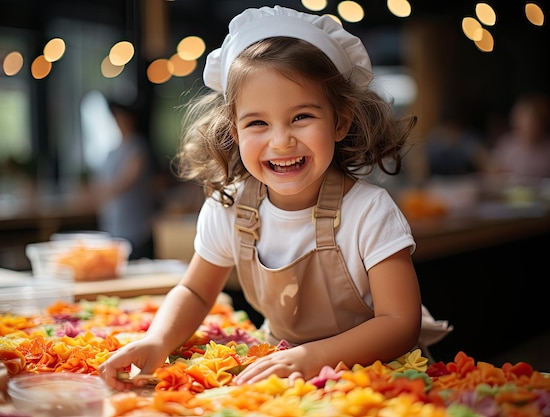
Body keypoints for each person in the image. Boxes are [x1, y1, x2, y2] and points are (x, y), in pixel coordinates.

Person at [99, 5, 425, 390]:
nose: (281, 141)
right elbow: (194, 290)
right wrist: (157, 340)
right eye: (257, 123)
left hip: (375, 379)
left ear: (341, 120)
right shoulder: (231, 209)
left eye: (301, 117)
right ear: (234, 131)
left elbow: (400, 324)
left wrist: (312, 358)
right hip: (282, 373)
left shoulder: (368, 212)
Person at [93, 99, 157, 260]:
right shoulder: (111, 152)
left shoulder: (138, 148)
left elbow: (125, 181)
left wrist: (102, 191)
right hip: (113, 227)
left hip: (135, 228)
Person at [487, 92, 550, 190]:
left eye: (530, 119)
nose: (522, 124)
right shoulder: (507, 144)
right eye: (518, 118)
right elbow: (494, 176)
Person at [425, 102, 488, 177]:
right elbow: (422, 162)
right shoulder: (434, 138)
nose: (452, 133)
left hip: (464, 182)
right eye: (448, 127)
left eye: (455, 128)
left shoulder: (468, 139)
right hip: (437, 182)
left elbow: (484, 161)